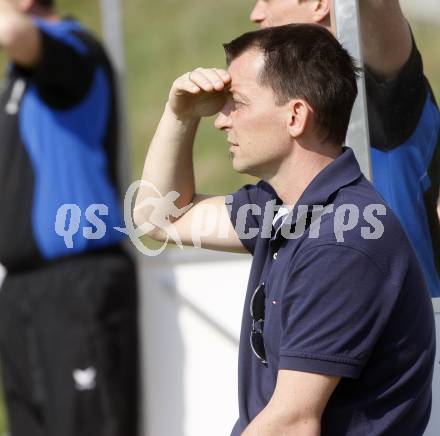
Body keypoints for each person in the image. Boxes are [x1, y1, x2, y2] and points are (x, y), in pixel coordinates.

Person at [134, 24, 436, 436]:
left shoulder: (343, 241)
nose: (221, 120)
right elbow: (159, 219)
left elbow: (292, 424)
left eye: (236, 103)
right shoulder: (279, 206)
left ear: (295, 116)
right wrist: (179, 114)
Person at [0, 1, 138, 435]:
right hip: (24, 292)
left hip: (76, 288)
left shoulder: (74, 50)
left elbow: (12, 34)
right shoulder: (17, 78)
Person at [249, 0, 440, 297]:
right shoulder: (290, 136)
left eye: (268, 0)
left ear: (319, 4)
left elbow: (379, 5)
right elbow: (165, 220)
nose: (256, 14)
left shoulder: (381, 104)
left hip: (419, 336)